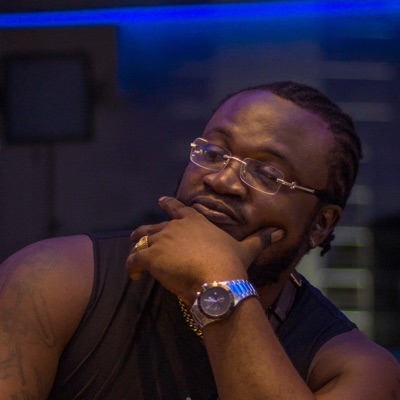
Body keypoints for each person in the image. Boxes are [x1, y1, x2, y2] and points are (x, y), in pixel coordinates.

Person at [0, 81, 399, 400]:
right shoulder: (52, 278)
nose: (222, 181)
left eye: (267, 175)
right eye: (213, 153)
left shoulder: (355, 368)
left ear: (320, 225)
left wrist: (218, 279)